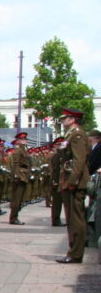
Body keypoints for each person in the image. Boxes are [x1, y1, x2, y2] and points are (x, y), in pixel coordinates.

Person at [57, 107, 90, 263]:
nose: (63, 121)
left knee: (76, 219)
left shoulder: (77, 135)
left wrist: (72, 181)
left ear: (72, 119)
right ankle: (73, 251)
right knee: (71, 218)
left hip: (74, 183)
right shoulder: (71, 134)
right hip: (70, 180)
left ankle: (76, 253)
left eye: (65, 118)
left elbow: (79, 160)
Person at [8, 132, 32, 224]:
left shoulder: (23, 150)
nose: (24, 141)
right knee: (17, 199)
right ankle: (13, 218)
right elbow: (16, 164)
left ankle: (15, 217)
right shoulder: (18, 151)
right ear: (18, 141)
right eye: (22, 139)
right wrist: (17, 176)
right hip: (20, 177)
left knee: (20, 199)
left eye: (25, 139)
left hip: (23, 176)